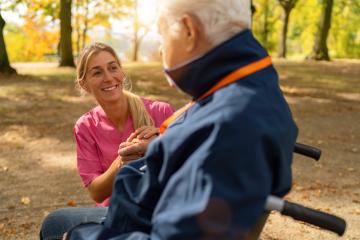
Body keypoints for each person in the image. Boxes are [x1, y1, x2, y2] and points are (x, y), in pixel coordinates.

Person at [45, 0, 299, 239]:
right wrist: (160, 147)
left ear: (188, 30)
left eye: (163, 33)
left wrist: (82, 236)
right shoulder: (243, 89)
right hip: (140, 210)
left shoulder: (228, 126)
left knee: (57, 226)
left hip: (139, 220)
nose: (160, 47)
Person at [40, 42, 174, 240]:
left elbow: (185, 170)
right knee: (54, 223)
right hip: (113, 211)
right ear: (84, 84)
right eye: (97, 72)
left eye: (113, 68)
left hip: (159, 206)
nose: (109, 78)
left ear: (121, 72)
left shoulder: (160, 111)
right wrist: (120, 164)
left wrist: (159, 144)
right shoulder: (85, 126)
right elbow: (96, 192)